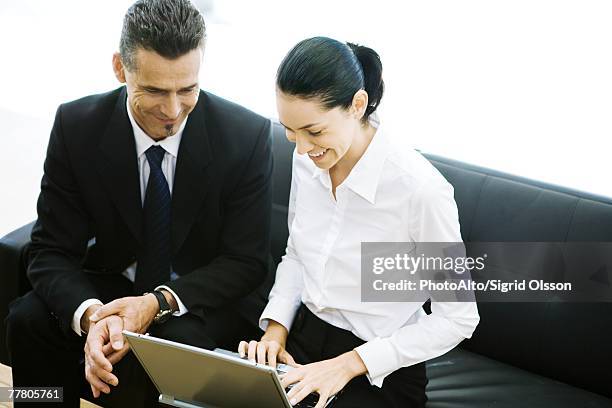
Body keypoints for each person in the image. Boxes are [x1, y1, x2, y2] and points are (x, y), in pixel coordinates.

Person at [5, 0, 272, 406]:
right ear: (120, 68)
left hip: (194, 295)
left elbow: (247, 260)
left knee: (172, 346)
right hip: (113, 281)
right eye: (154, 90)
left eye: (188, 89)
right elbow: (49, 250)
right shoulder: (77, 126)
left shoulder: (245, 136)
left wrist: (157, 303)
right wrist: (94, 316)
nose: (173, 110)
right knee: (27, 321)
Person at [238, 36, 480, 408]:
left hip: (380, 369)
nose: (301, 148)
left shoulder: (421, 191)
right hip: (304, 338)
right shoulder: (308, 160)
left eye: (314, 131)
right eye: (290, 132)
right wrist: (275, 330)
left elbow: (458, 318)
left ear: (357, 105)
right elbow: (298, 255)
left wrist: (351, 364)